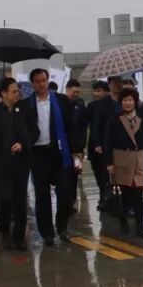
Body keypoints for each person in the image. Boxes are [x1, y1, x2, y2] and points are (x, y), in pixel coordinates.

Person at [18, 68, 83, 246]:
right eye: (37, 81)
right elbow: (22, 130)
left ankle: (61, 227)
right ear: (32, 84)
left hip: (59, 152)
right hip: (38, 154)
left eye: (44, 80)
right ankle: (46, 233)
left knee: (64, 193)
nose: (41, 84)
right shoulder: (26, 105)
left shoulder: (61, 101)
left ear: (48, 81)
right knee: (42, 195)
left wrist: (77, 150)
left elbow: (72, 127)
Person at [0, 78, 33, 250]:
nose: (17, 93)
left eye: (18, 91)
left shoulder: (24, 110)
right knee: (5, 199)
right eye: (13, 91)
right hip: (1, 162)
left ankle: (19, 237)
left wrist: (23, 144)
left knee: (20, 201)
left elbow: (34, 131)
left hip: (21, 161)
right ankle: (4, 230)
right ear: (3, 93)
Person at [105, 87, 143, 238]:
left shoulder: (142, 118)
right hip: (121, 160)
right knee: (126, 195)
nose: (127, 103)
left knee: (138, 194)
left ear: (135, 101)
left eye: (130, 100)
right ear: (121, 102)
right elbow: (108, 142)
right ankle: (123, 219)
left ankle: (140, 226)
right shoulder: (114, 120)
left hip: (139, 159)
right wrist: (109, 163)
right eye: (124, 100)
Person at [83, 80, 115, 210]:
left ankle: (107, 197)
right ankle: (103, 194)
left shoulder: (112, 105)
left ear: (107, 92)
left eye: (99, 91)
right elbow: (88, 124)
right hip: (94, 146)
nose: (96, 94)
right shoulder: (91, 106)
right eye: (94, 91)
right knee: (98, 173)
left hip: (108, 145)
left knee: (106, 174)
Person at [65, 78, 87, 208]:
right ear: (67, 90)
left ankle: (71, 202)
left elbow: (83, 127)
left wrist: (81, 148)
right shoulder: (61, 103)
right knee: (64, 176)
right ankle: (65, 201)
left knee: (74, 176)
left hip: (76, 147)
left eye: (78, 92)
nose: (76, 94)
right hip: (63, 146)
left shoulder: (80, 104)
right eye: (74, 92)